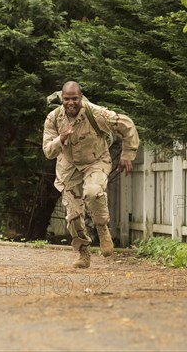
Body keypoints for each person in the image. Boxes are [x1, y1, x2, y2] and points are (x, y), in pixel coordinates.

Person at [43, 81, 139, 268]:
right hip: (68, 167)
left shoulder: (95, 113)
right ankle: (83, 253)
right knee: (73, 215)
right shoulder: (53, 118)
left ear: (81, 97)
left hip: (95, 161)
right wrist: (61, 138)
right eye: (66, 99)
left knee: (94, 192)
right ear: (61, 98)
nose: (70, 103)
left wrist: (127, 155)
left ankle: (102, 229)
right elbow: (48, 151)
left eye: (74, 99)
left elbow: (126, 124)